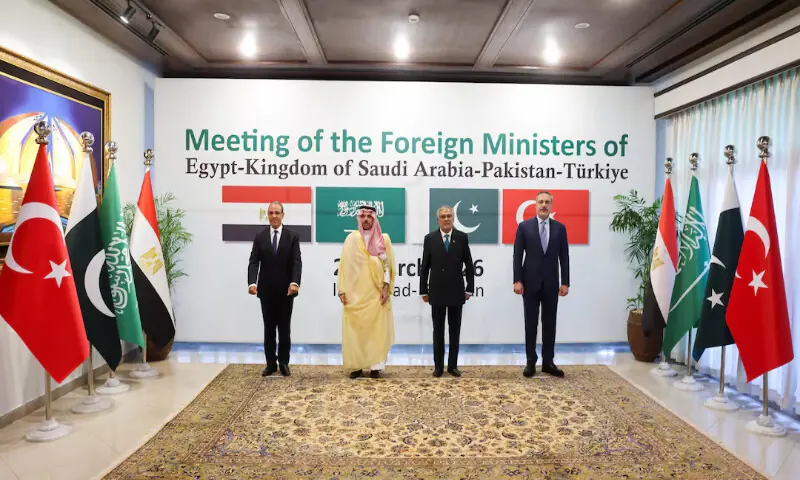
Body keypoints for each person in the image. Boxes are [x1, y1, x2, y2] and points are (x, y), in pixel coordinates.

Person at [513, 191, 569, 378]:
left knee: (549, 323)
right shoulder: (524, 227)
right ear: (535, 205)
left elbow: (564, 257)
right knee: (531, 323)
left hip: (552, 284)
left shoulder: (560, 228)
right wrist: (517, 280)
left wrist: (565, 282)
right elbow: (517, 256)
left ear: (552, 205)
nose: (544, 205)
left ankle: (548, 362)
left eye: (547, 202)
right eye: (540, 202)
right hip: (529, 284)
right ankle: (531, 362)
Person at [336, 204, 396, 378]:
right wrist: (342, 290)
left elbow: (388, 267)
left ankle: (376, 366)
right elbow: (343, 267)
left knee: (376, 330)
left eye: (370, 216)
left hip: (376, 293)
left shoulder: (383, 239)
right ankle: (356, 366)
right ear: (359, 218)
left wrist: (386, 288)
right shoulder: (351, 240)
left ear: (375, 218)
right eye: (363, 216)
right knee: (356, 330)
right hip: (355, 294)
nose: (366, 219)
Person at [248, 201, 302, 377]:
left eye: (277, 213)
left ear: (283, 215)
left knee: (284, 329)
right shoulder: (260, 236)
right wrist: (252, 283)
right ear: (268, 215)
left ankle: (284, 362)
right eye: (271, 213)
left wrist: (295, 282)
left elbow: (296, 262)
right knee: (269, 328)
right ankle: (270, 363)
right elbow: (254, 262)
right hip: (266, 291)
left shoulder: (292, 236)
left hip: (287, 291)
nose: (274, 216)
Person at [420, 205, 474, 377]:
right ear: (438, 220)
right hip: (436, 292)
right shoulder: (430, 239)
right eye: (442, 216)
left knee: (454, 330)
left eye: (449, 216)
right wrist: (423, 290)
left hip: (456, 291)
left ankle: (452, 366)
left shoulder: (462, 237)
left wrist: (470, 289)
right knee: (438, 331)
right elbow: (425, 267)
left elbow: (470, 265)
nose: (446, 219)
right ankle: (438, 367)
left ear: (453, 218)